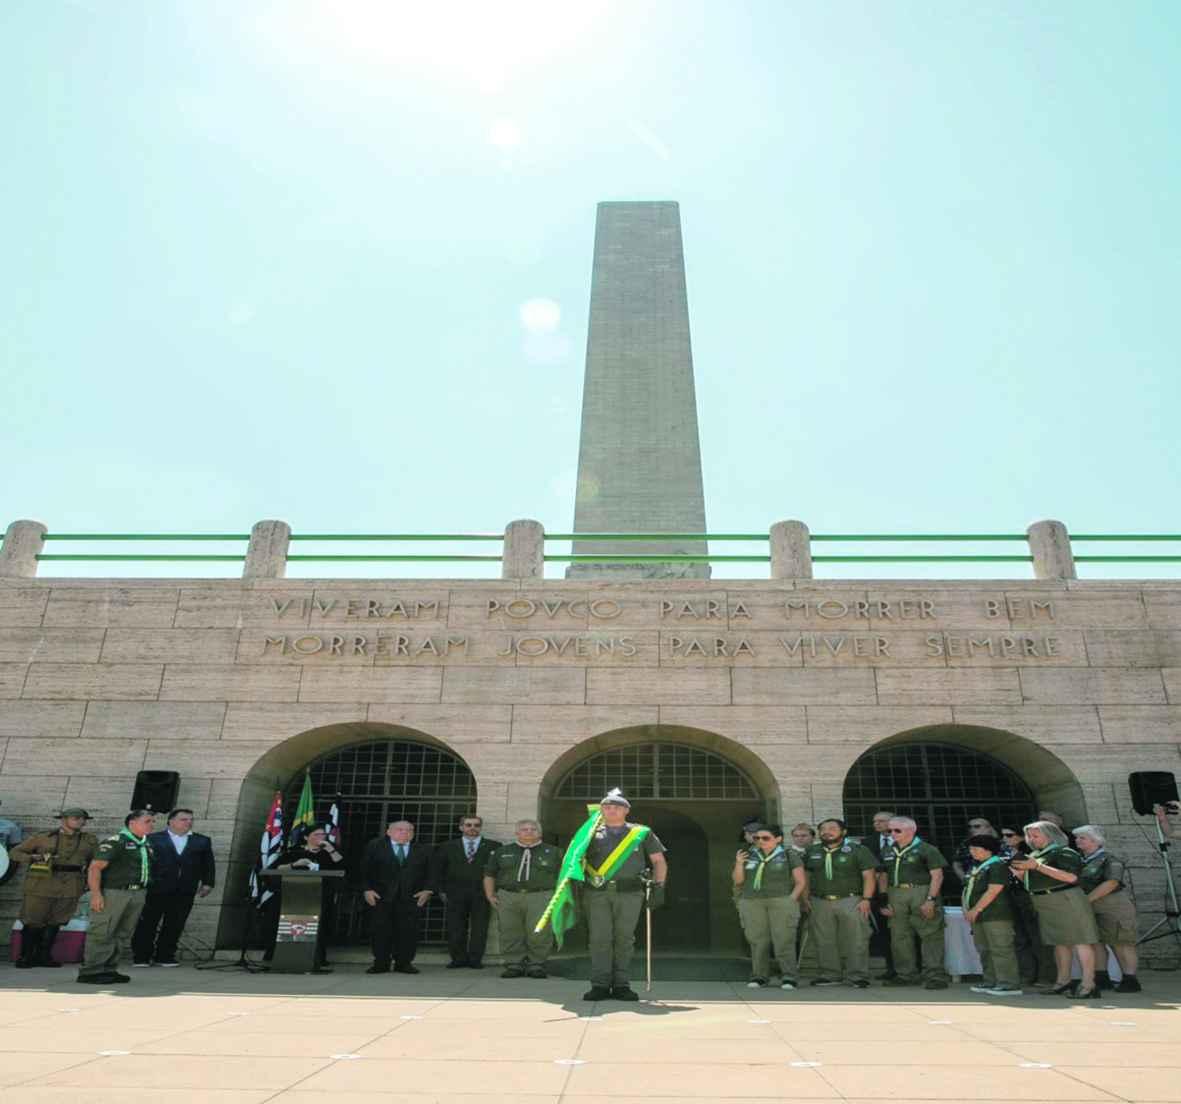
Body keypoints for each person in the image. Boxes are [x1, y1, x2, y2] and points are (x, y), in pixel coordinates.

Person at [581, 789, 667, 1002]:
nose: (611, 810)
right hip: (597, 893)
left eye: (617, 807)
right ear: (601, 810)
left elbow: (658, 861)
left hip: (630, 893)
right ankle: (599, 984)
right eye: (607, 807)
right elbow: (573, 861)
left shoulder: (641, 833)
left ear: (626, 810)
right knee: (599, 939)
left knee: (624, 939)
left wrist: (659, 886)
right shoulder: (590, 832)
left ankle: (621, 984)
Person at [1010, 820, 1100, 999]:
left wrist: (1037, 866)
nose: (1031, 839)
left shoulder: (1063, 851)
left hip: (1066, 898)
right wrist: (1020, 874)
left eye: (1036, 835)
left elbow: (1071, 877)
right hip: (1045, 900)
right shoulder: (1036, 854)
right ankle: (1062, 981)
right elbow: (1037, 880)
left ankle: (1088, 984)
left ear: (1050, 835)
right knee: (1059, 942)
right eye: (1030, 836)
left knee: (1081, 940)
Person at [9, 808, 97, 968]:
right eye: (76, 818)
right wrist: (32, 858)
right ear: (64, 820)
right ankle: (26, 955)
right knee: (33, 920)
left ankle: (44, 956)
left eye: (83, 819)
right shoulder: (43, 837)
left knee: (57, 921)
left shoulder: (89, 840)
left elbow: (95, 863)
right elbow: (15, 852)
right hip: (41, 883)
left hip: (71, 884)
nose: (81, 821)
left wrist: (90, 882)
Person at [77, 809, 156, 985]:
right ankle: (91, 970)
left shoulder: (145, 843)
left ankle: (109, 968)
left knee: (122, 933)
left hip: (137, 893)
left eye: (153, 822)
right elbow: (95, 868)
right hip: (114, 893)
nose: (152, 825)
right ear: (132, 823)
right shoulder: (116, 842)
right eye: (147, 821)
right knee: (103, 930)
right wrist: (96, 894)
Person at [131, 808, 216, 968]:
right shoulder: (152, 839)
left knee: (175, 923)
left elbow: (208, 865)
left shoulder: (201, 841)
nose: (188, 822)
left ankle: (165, 956)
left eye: (191, 819)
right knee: (148, 923)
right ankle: (141, 956)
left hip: (185, 889)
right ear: (171, 821)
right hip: (156, 889)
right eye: (184, 819)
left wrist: (207, 883)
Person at [801, 818, 877, 988]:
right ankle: (830, 974)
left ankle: (857, 976)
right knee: (823, 939)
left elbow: (869, 876)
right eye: (823, 829)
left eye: (832, 828)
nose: (827, 831)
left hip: (851, 900)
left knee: (856, 938)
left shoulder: (858, 850)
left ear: (843, 832)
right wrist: (804, 898)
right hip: (819, 901)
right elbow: (806, 877)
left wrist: (866, 899)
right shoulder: (812, 851)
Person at [483, 818, 561, 978]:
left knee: (540, 932)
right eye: (524, 829)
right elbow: (490, 874)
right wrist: (490, 894)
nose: (529, 832)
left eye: (533, 829)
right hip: (509, 896)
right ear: (517, 833)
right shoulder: (502, 851)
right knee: (510, 931)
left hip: (541, 896)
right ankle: (513, 964)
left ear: (540, 833)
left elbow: (564, 876)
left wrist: (558, 897)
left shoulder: (554, 852)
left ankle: (537, 964)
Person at [880, 816, 950, 990]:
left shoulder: (927, 849)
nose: (892, 834)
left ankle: (935, 975)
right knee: (899, 935)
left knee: (930, 933)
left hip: (921, 890)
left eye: (897, 830)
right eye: (890, 831)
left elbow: (937, 875)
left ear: (912, 830)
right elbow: (882, 875)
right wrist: (883, 898)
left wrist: (931, 900)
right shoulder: (888, 850)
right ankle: (906, 974)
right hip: (896, 892)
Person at [733, 823, 805, 990]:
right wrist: (738, 863)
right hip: (752, 901)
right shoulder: (749, 854)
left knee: (784, 939)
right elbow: (738, 881)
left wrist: (791, 899)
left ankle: (789, 976)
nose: (760, 841)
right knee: (758, 940)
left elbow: (800, 881)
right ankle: (759, 976)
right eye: (757, 838)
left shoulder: (788, 854)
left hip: (781, 901)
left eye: (765, 838)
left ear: (778, 839)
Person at [1074, 824, 1141, 993]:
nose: (1077, 840)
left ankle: (1130, 979)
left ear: (1096, 841)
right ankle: (1102, 977)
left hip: (1112, 904)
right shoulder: (1080, 860)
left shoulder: (1110, 859)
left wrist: (1086, 900)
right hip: (1090, 905)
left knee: (1121, 941)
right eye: (1077, 837)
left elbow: (1112, 882)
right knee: (1096, 941)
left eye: (1082, 837)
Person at [269, 825, 345, 972]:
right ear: (306, 837)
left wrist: (331, 850)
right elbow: (274, 869)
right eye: (317, 835)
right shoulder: (295, 852)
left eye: (323, 834)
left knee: (320, 925)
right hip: (293, 898)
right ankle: (286, 955)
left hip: (320, 896)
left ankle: (317, 958)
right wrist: (294, 864)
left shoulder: (330, 852)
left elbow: (342, 866)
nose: (321, 837)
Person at [362, 819, 433, 974]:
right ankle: (381, 963)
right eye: (400, 829)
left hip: (411, 898)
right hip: (381, 897)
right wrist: (367, 889)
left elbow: (432, 872)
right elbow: (363, 869)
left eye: (409, 830)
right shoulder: (375, 846)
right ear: (389, 832)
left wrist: (427, 890)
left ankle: (404, 963)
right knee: (380, 931)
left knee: (408, 932)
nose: (405, 833)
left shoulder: (423, 849)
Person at [432, 814, 499, 969]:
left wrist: (494, 891)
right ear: (461, 827)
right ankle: (458, 959)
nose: (472, 828)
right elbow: (438, 870)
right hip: (454, 893)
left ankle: (475, 960)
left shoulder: (494, 846)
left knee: (480, 928)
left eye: (476, 825)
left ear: (480, 828)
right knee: (455, 927)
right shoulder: (447, 846)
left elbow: (497, 871)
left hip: (482, 893)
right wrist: (441, 890)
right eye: (468, 825)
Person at [962, 834, 1022, 996]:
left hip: (996, 914)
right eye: (971, 848)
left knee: (1001, 948)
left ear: (988, 850)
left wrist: (976, 909)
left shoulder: (996, 865)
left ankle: (1009, 983)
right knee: (985, 949)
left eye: (976, 848)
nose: (972, 851)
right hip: (979, 916)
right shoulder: (977, 865)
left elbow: (994, 889)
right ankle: (991, 980)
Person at [1000, 825, 1047, 986]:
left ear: (1020, 838)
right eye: (1003, 836)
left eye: (1009, 835)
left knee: (1037, 937)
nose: (1005, 839)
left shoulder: (1031, 855)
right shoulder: (1002, 855)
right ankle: (1027, 974)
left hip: (1028, 896)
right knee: (1019, 938)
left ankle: (1046, 976)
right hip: (1011, 897)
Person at [862, 810, 897, 979]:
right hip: (876, 893)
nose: (877, 824)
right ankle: (890, 968)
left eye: (882, 821)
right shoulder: (868, 842)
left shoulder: (904, 839)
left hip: (900, 889)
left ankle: (911, 968)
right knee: (883, 932)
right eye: (875, 821)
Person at [952, 817, 1001, 881]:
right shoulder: (965, 844)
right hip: (973, 883)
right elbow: (957, 864)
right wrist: (965, 879)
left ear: (988, 828)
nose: (972, 829)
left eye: (977, 826)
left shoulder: (1001, 843)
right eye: (969, 827)